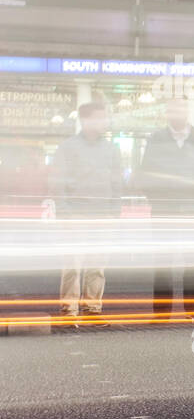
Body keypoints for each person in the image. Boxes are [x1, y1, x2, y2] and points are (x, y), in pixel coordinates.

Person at [135, 98, 194, 319]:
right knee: (163, 262)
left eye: (180, 110)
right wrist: (157, 199)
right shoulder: (156, 139)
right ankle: (162, 312)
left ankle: (193, 310)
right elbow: (146, 173)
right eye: (171, 111)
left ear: (187, 112)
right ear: (167, 114)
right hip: (164, 211)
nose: (176, 115)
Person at [49, 99, 123, 327]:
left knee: (97, 267)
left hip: (103, 215)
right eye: (100, 118)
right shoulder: (67, 147)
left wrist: (114, 212)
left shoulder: (112, 148)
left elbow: (117, 182)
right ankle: (68, 310)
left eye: (105, 117)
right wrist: (64, 212)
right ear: (85, 120)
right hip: (75, 215)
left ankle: (92, 309)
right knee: (72, 265)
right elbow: (57, 182)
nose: (104, 122)